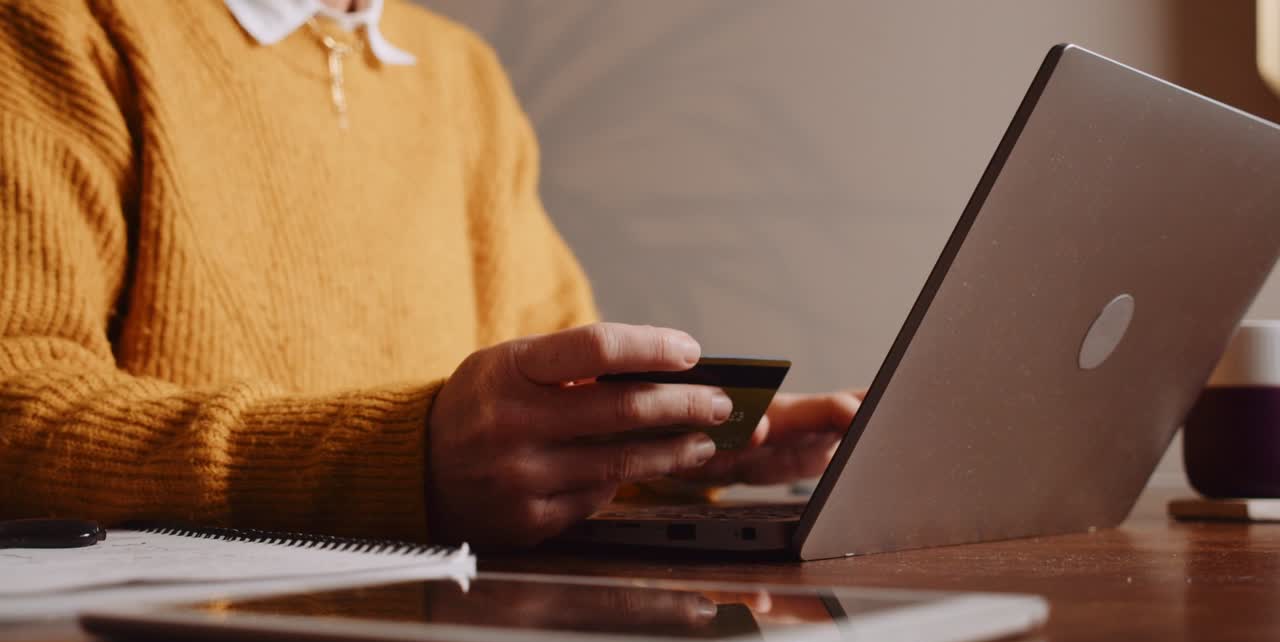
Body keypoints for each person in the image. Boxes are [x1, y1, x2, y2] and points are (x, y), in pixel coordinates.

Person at [0, 0, 860, 548]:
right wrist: (402, 458)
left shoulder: (463, 76)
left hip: (450, 634)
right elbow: (16, 408)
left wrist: (665, 449)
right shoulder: (61, 23)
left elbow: (520, 434)